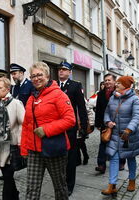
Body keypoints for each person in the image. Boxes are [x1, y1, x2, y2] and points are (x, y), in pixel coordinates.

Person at [21, 62, 75, 200]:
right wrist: (24, 149)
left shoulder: (58, 95)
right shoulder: (31, 98)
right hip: (34, 150)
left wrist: (46, 130)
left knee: (60, 187)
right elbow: (27, 125)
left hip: (54, 148)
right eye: (33, 76)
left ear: (47, 75)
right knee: (31, 189)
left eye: (39, 75)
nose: (36, 78)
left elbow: (70, 119)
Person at [101, 76, 139, 196]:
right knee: (113, 158)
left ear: (125, 85)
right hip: (114, 134)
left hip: (128, 136)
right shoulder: (113, 98)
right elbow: (107, 113)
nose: (116, 85)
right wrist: (108, 122)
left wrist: (129, 129)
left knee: (130, 157)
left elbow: (137, 116)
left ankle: (132, 180)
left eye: (119, 83)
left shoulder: (134, 99)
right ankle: (112, 185)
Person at [0, 64, 34, 181]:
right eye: (12, 74)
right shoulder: (13, 88)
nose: (13, 76)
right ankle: (8, 175)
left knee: (27, 148)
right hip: (14, 123)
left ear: (22, 73)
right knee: (12, 151)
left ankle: (32, 169)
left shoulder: (30, 85)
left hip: (26, 121)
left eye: (15, 73)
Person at [56, 61, 88, 196]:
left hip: (70, 127)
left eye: (64, 69)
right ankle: (60, 181)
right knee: (58, 156)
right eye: (59, 69)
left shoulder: (75, 86)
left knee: (70, 156)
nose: (61, 71)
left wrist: (84, 127)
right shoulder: (53, 85)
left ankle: (69, 185)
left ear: (70, 72)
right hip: (56, 127)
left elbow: (81, 107)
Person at [95, 74, 116, 174]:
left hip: (116, 123)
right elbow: (98, 110)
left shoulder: (119, 93)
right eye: (105, 80)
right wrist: (98, 123)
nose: (107, 82)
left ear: (114, 82)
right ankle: (101, 164)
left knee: (116, 143)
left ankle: (120, 161)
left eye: (109, 80)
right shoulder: (100, 94)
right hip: (104, 123)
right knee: (103, 142)